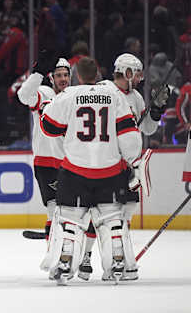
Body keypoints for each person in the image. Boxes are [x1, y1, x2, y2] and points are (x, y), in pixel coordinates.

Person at [40, 57, 142, 285]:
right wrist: (132, 161)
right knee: (112, 218)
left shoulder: (69, 95)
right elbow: (129, 135)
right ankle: (118, 260)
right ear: (98, 74)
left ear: (76, 75)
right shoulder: (114, 95)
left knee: (71, 220)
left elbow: (49, 128)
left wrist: (47, 108)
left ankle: (66, 261)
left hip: (75, 170)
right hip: (110, 170)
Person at [77, 53, 166, 281]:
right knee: (99, 214)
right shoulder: (103, 90)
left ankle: (121, 259)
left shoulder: (135, 97)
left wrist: (155, 112)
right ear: (126, 72)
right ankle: (87, 255)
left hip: (127, 164)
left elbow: (145, 129)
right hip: (104, 162)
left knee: (125, 212)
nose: (139, 78)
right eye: (136, 73)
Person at [17, 58, 71, 242]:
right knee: (54, 206)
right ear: (51, 77)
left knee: (71, 209)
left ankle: (63, 247)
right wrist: (36, 74)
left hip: (71, 160)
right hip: (46, 160)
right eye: (59, 75)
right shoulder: (43, 94)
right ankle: (55, 250)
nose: (63, 79)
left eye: (66, 75)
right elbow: (23, 96)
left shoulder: (73, 96)